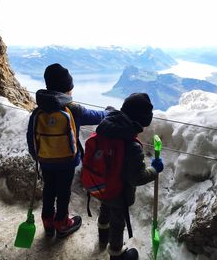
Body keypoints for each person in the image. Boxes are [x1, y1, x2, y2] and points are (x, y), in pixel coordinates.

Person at [26, 63, 110, 238]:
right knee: (63, 191)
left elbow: (30, 136)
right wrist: (109, 111)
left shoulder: (38, 111)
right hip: (66, 162)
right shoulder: (73, 109)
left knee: (49, 188)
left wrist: (38, 157)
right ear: (66, 89)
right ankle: (62, 222)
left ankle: (48, 221)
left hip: (45, 160)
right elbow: (98, 117)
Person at [94, 93, 164, 260]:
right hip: (119, 193)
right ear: (142, 121)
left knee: (105, 208)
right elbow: (136, 178)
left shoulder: (106, 128)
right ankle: (116, 253)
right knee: (118, 223)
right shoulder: (132, 146)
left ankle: (102, 236)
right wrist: (154, 169)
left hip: (101, 184)